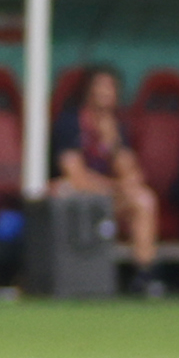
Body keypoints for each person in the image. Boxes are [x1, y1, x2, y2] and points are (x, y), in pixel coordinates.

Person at [52, 65, 161, 290]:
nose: (105, 93)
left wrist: (113, 143)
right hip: (75, 200)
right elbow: (76, 176)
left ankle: (143, 275)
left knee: (144, 200)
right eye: (100, 87)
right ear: (87, 91)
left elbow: (131, 175)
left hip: (107, 197)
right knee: (66, 187)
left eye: (110, 88)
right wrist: (117, 186)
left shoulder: (117, 127)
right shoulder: (70, 122)